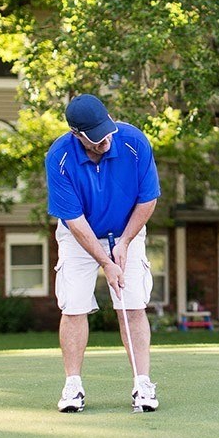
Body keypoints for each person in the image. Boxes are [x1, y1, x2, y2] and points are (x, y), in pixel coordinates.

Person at [45, 94, 161, 413]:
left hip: (127, 231)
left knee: (133, 304)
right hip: (79, 236)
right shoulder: (59, 158)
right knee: (74, 306)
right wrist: (106, 262)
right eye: (96, 138)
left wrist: (123, 243)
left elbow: (147, 199)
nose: (105, 141)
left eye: (107, 131)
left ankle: (142, 384)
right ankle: (73, 387)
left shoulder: (134, 141)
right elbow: (75, 222)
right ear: (77, 134)